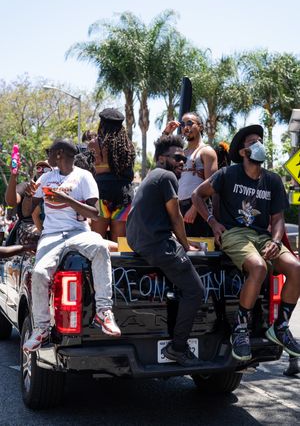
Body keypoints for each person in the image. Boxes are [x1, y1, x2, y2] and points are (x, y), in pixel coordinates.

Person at [192, 124, 300, 361]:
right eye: (253, 142)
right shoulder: (228, 174)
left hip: (262, 236)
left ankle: (280, 327)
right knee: (258, 267)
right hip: (234, 234)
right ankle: (240, 329)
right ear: (243, 152)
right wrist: (212, 222)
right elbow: (197, 195)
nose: (259, 144)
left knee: (295, 268)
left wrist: (275, 240)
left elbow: (278, 218)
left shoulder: (272, 180)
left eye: (260, 140)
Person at [22, 139, 121, 352]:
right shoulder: (46, 177)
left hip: (78, 233)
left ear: (59, 154)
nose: (47, 155)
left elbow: (95, 214)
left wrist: (66, 199)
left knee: (100, 248)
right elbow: (26, 211)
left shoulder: (84, 177)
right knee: (39, 273)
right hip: (51, 235)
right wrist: (30, 195)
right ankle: (41, 329)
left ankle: (104, 312)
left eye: (50, 151)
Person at [126, 134, 204, 367]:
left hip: (140, 244)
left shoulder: (153, 176)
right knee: (196, 291)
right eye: (177, 157)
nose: (182, 162)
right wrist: (186, 244)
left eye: (184, 159)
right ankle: (177, 348)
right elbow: (176, 216)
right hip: (158, 246)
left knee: (179, 288)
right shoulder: (167, 176)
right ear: (161, 159)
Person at [162, 112, 218, 236]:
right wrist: (166, 133)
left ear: (200, 127)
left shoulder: (207, 151)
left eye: (190, 123)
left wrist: (195, 208)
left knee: (199, 252)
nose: (185, 127)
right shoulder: (181, 152)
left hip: (198, 209)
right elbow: (161, 158)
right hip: (179, 209)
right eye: (182, 124)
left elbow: (211, 185)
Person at [88, 108, 136, 242]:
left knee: (97, 242)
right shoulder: (127, 146)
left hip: (101, 196)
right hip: (124, 197)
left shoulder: (94, 145)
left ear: (101, 124)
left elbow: (88, 171)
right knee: (119, 246)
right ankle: (119, 264)